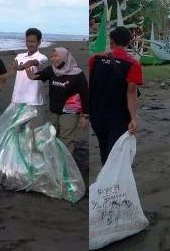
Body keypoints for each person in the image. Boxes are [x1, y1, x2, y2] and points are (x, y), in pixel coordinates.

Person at [86, 26, 142, 163]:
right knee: (115, 152)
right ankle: (109, 181)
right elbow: (131, 93)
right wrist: (133, 118)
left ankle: (106, 178)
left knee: (104, 148)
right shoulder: (133, 64)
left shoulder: (94, 59)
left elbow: (90, 85)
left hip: (97, 114)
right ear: (129, 43)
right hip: (118, 116)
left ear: (111, 41)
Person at [40, 46, 89, 176]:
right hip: (54, 110)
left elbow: (85, 94)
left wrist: (85, 115)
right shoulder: (51, 70)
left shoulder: (78, 73)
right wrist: (27, 71)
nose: (53, 59)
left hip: (70, 111)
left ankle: (65, 169)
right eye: (52, 56)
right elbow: (39, 75)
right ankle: (54, 164)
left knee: (66, 139)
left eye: (56, 56)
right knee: (52, 136)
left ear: (65, 57)